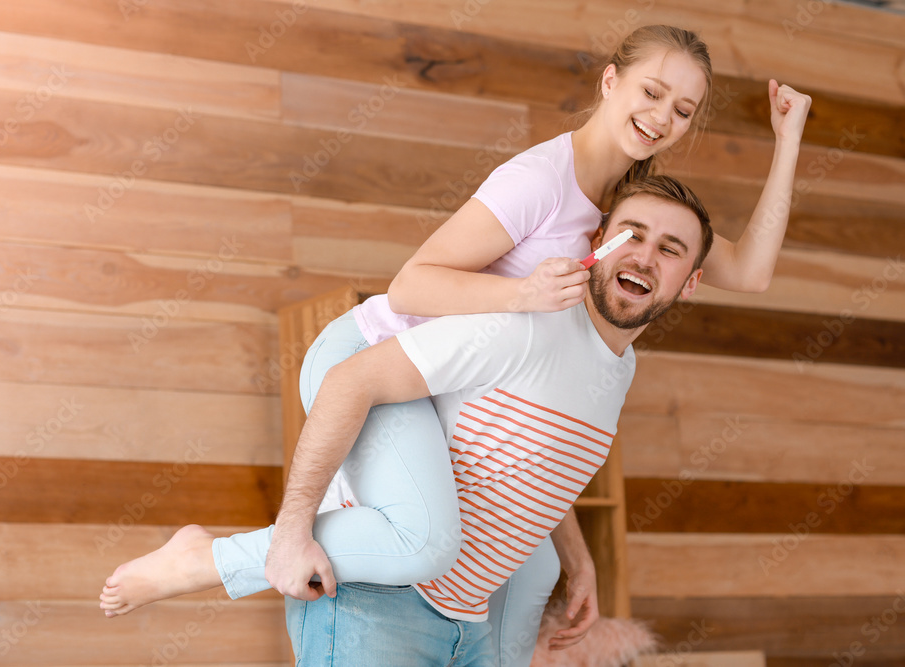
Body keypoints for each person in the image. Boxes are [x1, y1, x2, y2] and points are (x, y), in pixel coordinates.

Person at [100, 24, 811, 664]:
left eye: (683, 111)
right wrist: (525, 295)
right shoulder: (540, 181)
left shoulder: (631, 204)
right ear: (609, 81)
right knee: (429, 540)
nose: (662, 117)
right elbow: (410, 286)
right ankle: (212, 557)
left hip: (439, 387)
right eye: (652, 92)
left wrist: (788, 142)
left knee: (526, 567)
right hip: (369, 355)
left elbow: (747, 271)